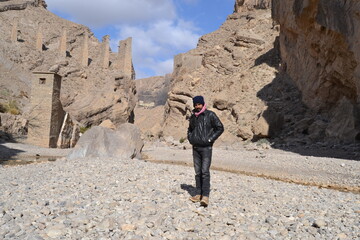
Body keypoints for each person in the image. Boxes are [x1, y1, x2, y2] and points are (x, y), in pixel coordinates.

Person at [187, 95, 224, 207]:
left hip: (206, 148)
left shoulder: (210, 115)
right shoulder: (193, 117)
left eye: (199, 104)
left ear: (203, 104)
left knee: (205, 172)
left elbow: (220, 128)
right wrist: (190, 138)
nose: (197, 106)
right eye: (196, 104)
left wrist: (210, 139)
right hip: (196, 148)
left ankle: (205, 196)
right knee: (198, 172)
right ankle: (198, 194)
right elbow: (190, 129)